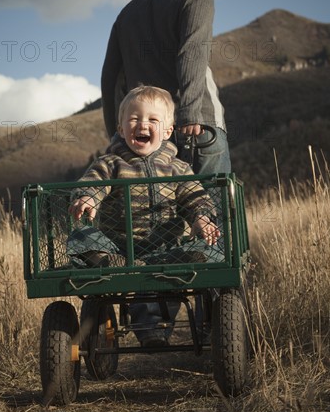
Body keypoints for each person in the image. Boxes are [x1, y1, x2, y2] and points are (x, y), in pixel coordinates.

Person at [67, 86, 221, 347]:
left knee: (207, 252)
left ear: (168, 131)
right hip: (121, 248)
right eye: (134, 119)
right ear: (121, 127)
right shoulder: (111, 163)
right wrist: (88, 197)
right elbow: (93, 182)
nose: (142, 124)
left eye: (152, 120)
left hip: (166, 247)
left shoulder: (178, 167)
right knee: (81, 237)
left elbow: (196, 197)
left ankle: (154, 330)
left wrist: (201, 218)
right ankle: (108, 261)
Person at [101, 0, 231, 175]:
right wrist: (190, 113)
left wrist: (116, 132)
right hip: (198, 127)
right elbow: (191, 53)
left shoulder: (129, 10)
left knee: (163, 211)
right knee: (212, 208)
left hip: (150, 135)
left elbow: (110, 78)